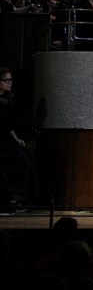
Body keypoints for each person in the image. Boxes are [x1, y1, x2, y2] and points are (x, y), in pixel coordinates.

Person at [0, 68, 37, 206]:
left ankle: (21, 197)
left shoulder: (9, 100)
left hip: (6, 138)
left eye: (11, 80)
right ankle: (14, 196)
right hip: (1, 140)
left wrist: (16, 138)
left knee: (27, 158)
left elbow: (9, 125)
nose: (10, 83)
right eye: (6, 80)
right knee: (19, 161)